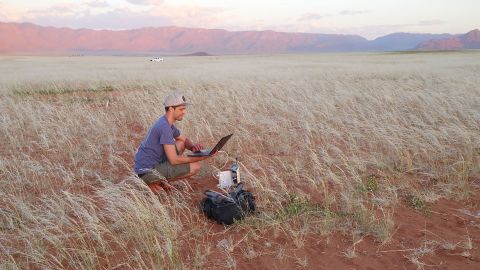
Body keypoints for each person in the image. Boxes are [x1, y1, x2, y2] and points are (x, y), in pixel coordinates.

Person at [134, 92, 212, 193]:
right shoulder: (164, 127)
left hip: (149, 165)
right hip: (146, 172)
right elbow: (174, 160)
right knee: (195, 166)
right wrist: (201, 157)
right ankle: (153, 183)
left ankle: (159, 181)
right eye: (181, 109)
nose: (184, 112)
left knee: (180, 143)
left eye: (184, 109)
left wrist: (193, 148)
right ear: (171, 109)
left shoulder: (166, 122)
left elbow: (183, 139)